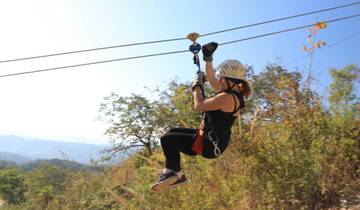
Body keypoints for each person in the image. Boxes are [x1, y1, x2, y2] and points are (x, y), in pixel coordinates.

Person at [150, 42, 251, 192]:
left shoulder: (227, 98)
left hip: (209, 145)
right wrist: (208, 58)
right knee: (170, 132)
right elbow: (211, 78)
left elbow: (199, 105)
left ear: (230, 80)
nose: (219, 81)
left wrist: (197, 85)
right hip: (209, 139)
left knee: (167, 139)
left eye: (222, 79)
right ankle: (172, 173)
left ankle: (175, 174)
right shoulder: (233, 93)